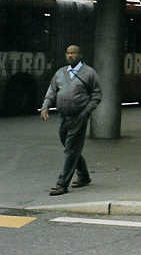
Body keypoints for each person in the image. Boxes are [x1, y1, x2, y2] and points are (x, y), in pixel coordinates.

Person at [40, 44, 101, 196]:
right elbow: (52, 91)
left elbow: (97, 95)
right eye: (68, 53)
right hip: (63, 116)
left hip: (79, 116)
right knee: (69, 147)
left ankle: (62, 184)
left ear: (80, 55)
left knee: (71, 149)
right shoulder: (60, 73)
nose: (70, 56)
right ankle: (84, 176)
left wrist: (86, 112)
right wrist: (45, 106)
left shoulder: (89, 73)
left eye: (73, 53)